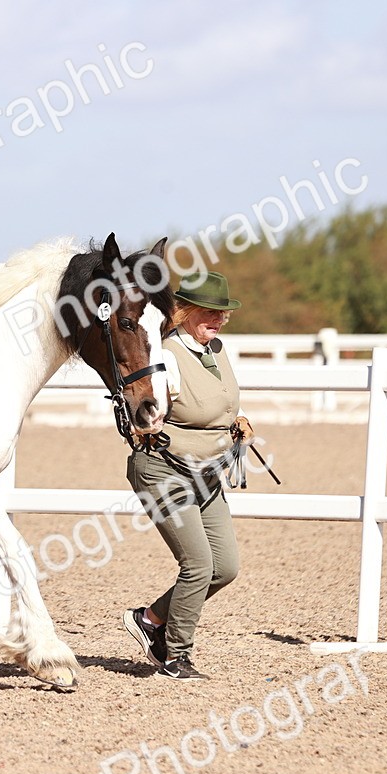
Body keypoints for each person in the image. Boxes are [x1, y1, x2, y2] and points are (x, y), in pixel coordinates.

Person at [121, 271, 253, 681]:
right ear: (184, 312)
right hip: (165, 470)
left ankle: (151, 618)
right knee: (197, 563)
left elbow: (217, 403)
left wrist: (237, 420)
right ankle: (174, 654)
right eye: (208, 312)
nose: (216, 320)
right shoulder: (167, 356)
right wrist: (146, 427)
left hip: (207, 472)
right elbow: (143, 409)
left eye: (222, 313)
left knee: (225, 567)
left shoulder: (215, 348)